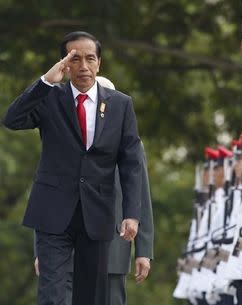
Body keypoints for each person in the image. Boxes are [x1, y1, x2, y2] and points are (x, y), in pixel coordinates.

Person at [3, 31, 142, 305]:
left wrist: (132, 214)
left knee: (90, 297)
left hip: (98, 212)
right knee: (52, 294)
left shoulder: (121, 105)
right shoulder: (49, 97)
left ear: (99, 63)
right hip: (53, 211)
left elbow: (131, 161)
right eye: (75, 59)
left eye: (90, 59)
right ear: (64, 64)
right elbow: (12, 119)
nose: (83, 66)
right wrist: (44, 82)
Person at [33, 76, 154, 305]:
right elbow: (45, 196)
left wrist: (143, 250)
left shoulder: (130, 144)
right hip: (65, 249)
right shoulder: (64, 141)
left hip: (114, 247)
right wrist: (40, 251)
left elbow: (140, 196)